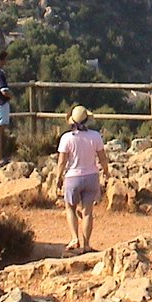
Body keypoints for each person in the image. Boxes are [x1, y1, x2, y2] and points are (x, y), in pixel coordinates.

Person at [55, 105, 110, 255]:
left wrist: (58, 178)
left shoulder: (67, 138)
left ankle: (74, 238)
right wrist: (106, 172)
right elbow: (102, 157)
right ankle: (86, 244)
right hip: (91, 175)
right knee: (87, 212)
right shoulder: (95, 136)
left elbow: (62, 162)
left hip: (73, 176)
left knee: (70, 207)